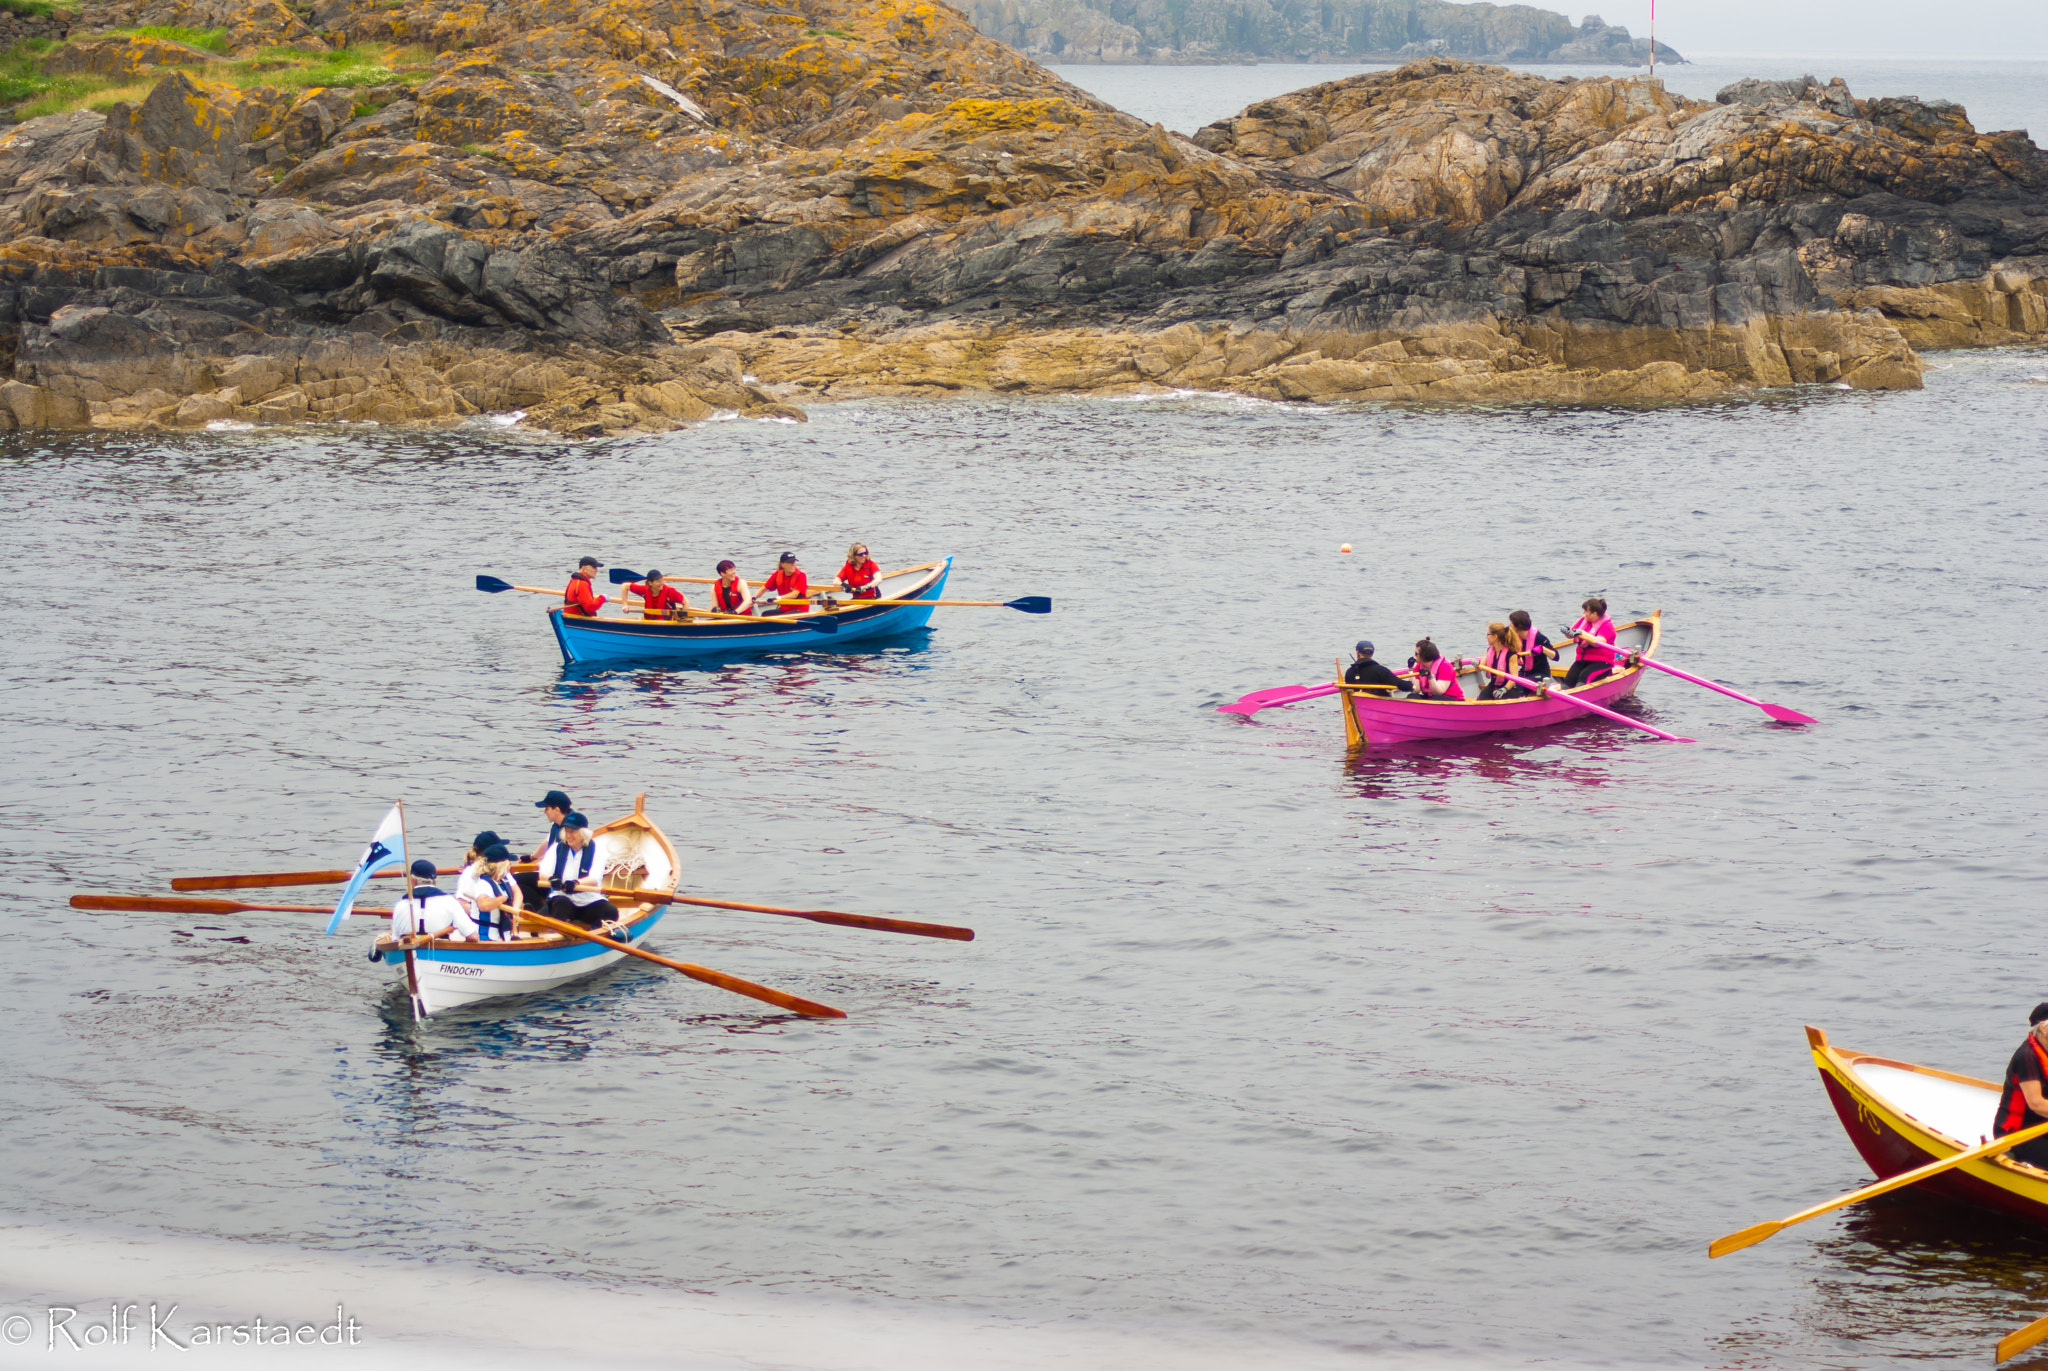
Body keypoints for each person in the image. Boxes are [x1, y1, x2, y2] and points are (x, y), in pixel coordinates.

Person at [535, 811, 623, 932]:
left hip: (588, 900)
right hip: (563, 898)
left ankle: (591, 936)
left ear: (583, 834)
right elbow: (542, 874)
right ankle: (555, 935)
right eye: (566, 831)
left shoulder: (597, 851)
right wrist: (552, 879)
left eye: (572, 832)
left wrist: (575, 883)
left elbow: (594, 879)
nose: (568, 835)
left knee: (611, 912)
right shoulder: (556, 848)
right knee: (560, 903)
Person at [1995, 1003, 2048, 1170]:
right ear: (2043, 1029)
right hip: (2016, 1134)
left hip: (2041, 1128)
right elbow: (2036, 1103)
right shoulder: (2027, 1057)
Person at [391, 859, 476, 942]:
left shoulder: (400, 905)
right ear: (435, 881)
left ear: (413, 880)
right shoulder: (450, 902)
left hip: (408, 951)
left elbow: (394, 940)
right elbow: (473, 937)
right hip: (441, 953)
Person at [456, 842, 523, 942]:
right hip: (485, 937)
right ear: (501, 865)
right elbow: (483, 905)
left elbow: (517, 892)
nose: (510, 865)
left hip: (501, 935)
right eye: (509, 862)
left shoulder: (502, 880)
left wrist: (514, 910)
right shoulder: (483, 884)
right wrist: (502, 899)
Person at [517, 790, 572, 909]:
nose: (544, 812)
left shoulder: (571, 830)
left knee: (515, 881)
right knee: (516, 880)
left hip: (559, 878)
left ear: (556, 810)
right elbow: (547, 842)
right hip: (549, 873)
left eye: (547, 809)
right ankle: (536, 907)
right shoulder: (556, 825)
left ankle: (538, 910)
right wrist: (532, 857)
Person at [1561, 596, 1617, 689]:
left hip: (1602, 662)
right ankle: (1563, 699)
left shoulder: (1607, 626)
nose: (1584, 613)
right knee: (1569, 680)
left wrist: (1582, 633)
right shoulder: (1584, 621)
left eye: (1586, 611)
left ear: (1594, 613)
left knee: (1584, 676)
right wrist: (1566, 632)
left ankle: (1580, 696)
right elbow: (1572, 634)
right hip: (1582, 660)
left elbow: (1598, 642)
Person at [1508, 610, 1557, 694]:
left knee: (1519, 684)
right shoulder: (1515, 638)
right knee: (1508, 682)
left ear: (1517, 626)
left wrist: (1542, 649)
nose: (1509, 625)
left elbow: (1556, 657)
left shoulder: (1539, 638)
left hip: (1541, 673)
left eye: (1511, 623)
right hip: (1525, 672)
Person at [1475, 622, 1522, 700]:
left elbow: (1514, 677)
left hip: (1509, 687)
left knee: (1500, 699)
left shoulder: (1511, 654)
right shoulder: (1490, 650)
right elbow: (1480, 668)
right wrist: (1476, 665)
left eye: (1488, 634)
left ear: (1495, 636)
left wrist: (1505, 689)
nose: (1486, 637)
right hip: (1493, 685)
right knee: (1481, 701)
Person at [625, 570, 691, 622]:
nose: (661, 583)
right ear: (650, 583)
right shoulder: (644, 590)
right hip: (650, 623)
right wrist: (625, 605)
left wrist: (681, 618)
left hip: (667, 625)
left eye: (662, 580)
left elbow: (686, 602)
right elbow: (625, 586)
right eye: (658, 581)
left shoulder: (670, 592)